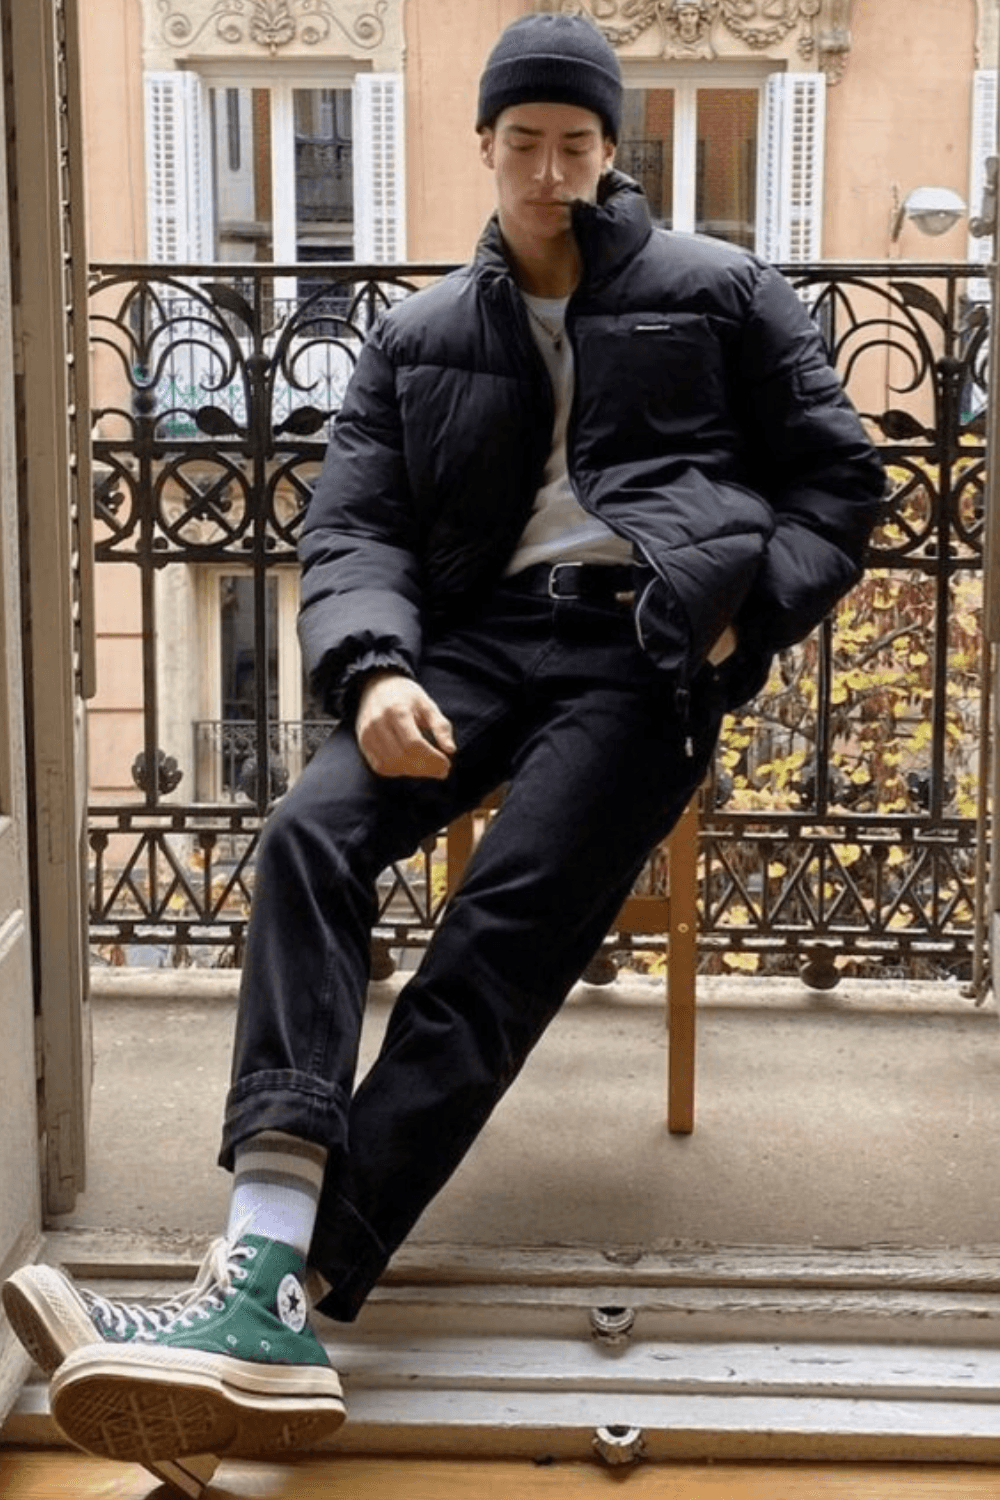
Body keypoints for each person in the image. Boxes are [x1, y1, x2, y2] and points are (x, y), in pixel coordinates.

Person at [2, 10, 884, 1471]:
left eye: (577, 146)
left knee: (495, 937)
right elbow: (352, 528)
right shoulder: (416, 337)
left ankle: (278, 1298)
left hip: (641, 652)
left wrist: (739, 627)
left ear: (614, 156)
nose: (549, 171)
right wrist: (369, 674)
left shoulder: (721, 291)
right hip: (473, 645)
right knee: (310, 834)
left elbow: (841, 480)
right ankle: (264, 1258)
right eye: (524, 143)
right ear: (483, 147)